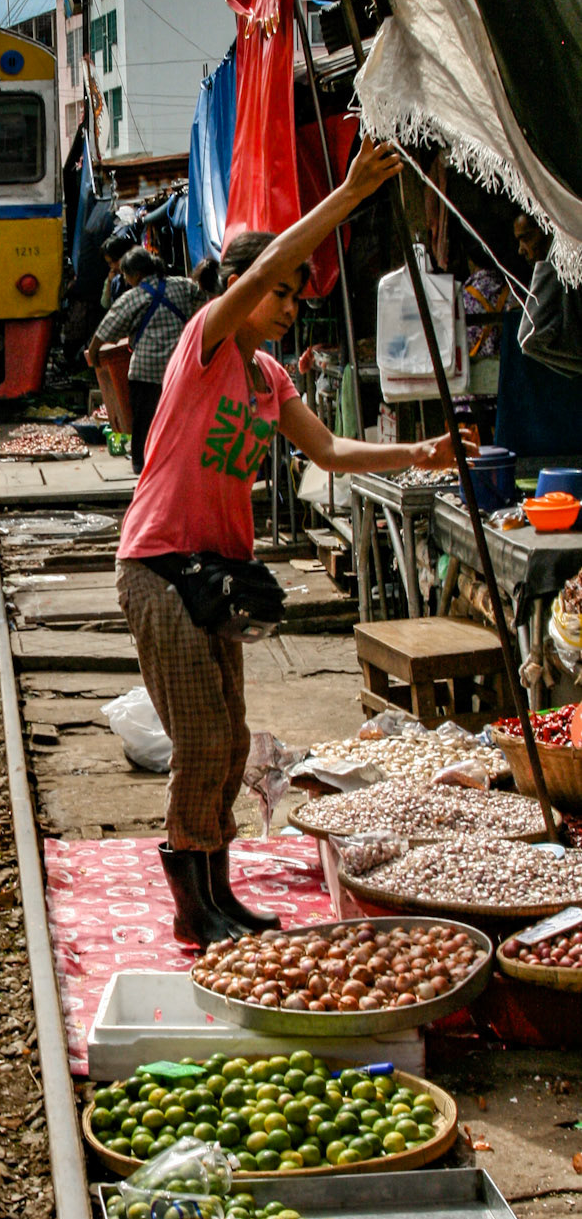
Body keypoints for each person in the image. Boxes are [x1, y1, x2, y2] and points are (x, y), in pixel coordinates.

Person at [115, 140, 468, 948]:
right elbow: (273, 253)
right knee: (201, 740)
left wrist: (417, 455)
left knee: (231, 740)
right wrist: (343, 197)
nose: (286, 307)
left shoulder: (269, 379)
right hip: (158, 566)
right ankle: (190, 904)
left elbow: (332, 453)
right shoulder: (204, 347)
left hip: (216, 575)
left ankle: (217, 892)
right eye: (278, 294)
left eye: (292, 298)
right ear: (244, 291)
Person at [86, 247, 202, 472]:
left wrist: (93, 352)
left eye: (126, 275)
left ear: (136, 274)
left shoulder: (134, 296)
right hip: (180, 366)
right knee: (180, 416)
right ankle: (180, 460)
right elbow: (204, 301)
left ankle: (140, 462)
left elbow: (107, 328)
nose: (126, 281)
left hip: (146, 369)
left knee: (143, 418)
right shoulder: (182, 285)